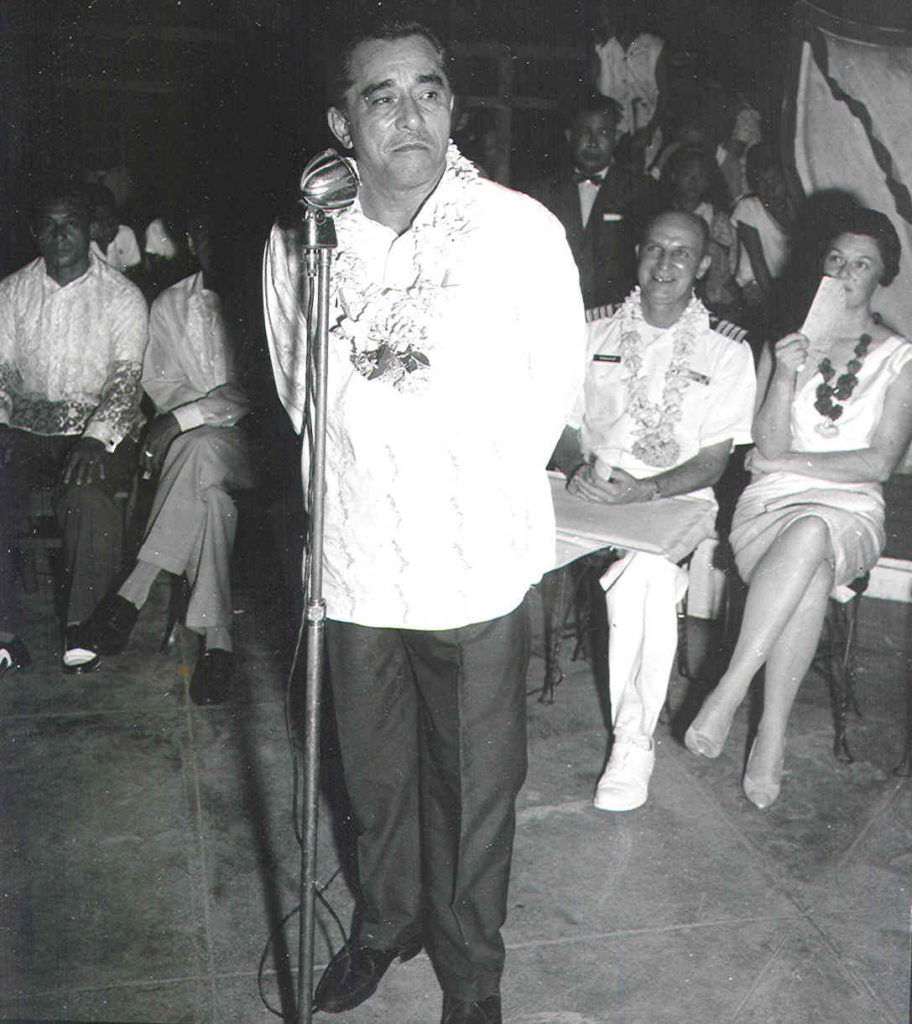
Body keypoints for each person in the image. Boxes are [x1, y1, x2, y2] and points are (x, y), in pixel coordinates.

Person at [263, 20, 584, 1024]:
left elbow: (555, 382)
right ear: (341, 120)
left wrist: (464, 480)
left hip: (470, 551)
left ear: (453, 104)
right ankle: (385, 918)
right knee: (373, 770)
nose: (412, 115)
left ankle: (473, 971)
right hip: (356, 554)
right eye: (382, 96)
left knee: (475, 782)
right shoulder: (300, 241)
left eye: (430, 91)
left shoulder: (518, 228)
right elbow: (296, 387)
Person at [684, 208, 912, 808]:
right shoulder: (786, 341)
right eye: (836, 260)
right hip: (769, 507)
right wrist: (784, 374)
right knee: (808, 563)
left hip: (853, 510)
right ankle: (771, 737)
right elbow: (767, 442)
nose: (845, 273)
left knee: (813, 529)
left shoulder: (900, 358)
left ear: (882, 276)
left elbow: (879, 465)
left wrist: (788, 464)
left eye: (861, 264)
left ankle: (730, 691)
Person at [551, 210, 756, 811]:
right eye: (656, 250)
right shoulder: (591, 331)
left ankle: (632, 742)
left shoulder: (725, 350)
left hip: (671, 498)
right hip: (585, 486)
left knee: (646, 577)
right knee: (499, 549)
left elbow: (713, 463)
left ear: (704, 265)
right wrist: (578, 467)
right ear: (638, 252)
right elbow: (561, 425)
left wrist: (644, 492)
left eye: (682, 254)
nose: (666, 265)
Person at [89, 204, 252, 704]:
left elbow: (259, 393)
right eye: (202, 235)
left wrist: (187, 419)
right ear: (190, 240)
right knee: (211, 503)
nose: (211, 245)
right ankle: (219, 644)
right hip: (198, 451)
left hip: (262, 446)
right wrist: (193, 418)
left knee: (195, 446)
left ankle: (133, 589)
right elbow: (161, 383)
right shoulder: (169, 306)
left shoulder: (263, 299)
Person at [0, 184, 147, 674]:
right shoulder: (11, 292)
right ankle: (3, 629)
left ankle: (81, 626)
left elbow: (125, 383)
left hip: (98, 429)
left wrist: (93, 436)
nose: (60, 234)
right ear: (35, 231)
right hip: (26, 428)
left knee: (87, 496)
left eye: (71, 223)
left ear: (89, 231)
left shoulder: (122, 297)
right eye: (49, 223)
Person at [537, 94, 657, 310]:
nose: (593, 142)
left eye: (603, 133)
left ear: (617, 138)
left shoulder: (639, 190)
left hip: (615, 312)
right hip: (556, 308)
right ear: (569, 136)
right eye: (585, 132)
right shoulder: (546, 191)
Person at [664, 145, 740, 315]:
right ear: (674, 176)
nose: (693, 182)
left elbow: (728, 262)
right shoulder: (664, 216)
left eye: (701, 177)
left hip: (710, 293)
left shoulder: (717, 218)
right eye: (687, 174)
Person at [86, 182, 142, 276]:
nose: (106, 225)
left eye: (110, 218)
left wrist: (110, 243)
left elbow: (133, 272)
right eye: (99, 221)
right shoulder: (83, 242)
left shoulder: (125, 234)